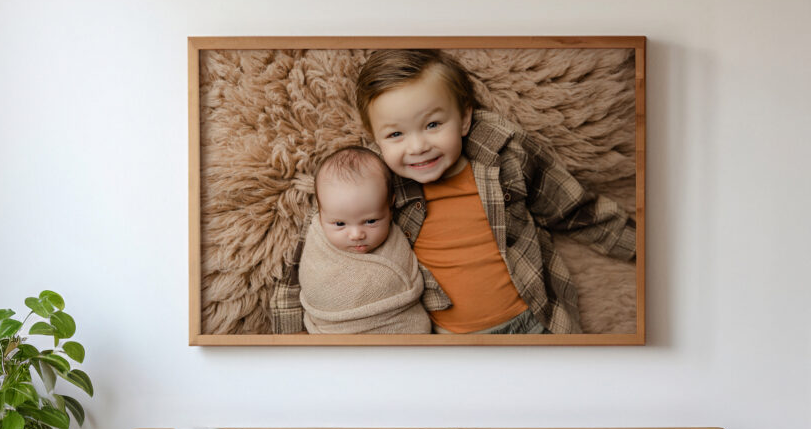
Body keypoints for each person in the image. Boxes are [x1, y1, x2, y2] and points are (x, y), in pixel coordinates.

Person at [271, 49, 636, 335]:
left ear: (463, 118)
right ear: (376, 137)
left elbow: (575, 209)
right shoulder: (371, 179)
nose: (417, 147)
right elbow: (310, 254)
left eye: (433, 124)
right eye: (396, 134)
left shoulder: (504, 155)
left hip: (535, 317)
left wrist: (648, 253)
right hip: (447, 337)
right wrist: (288, 347)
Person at [298, 146, 448, 334]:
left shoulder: (399, 236)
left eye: (370, 221)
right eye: (339, 224)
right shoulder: (316, 238)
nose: (356, 235)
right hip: (333, 334)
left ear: (390, 206)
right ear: (320, 214)